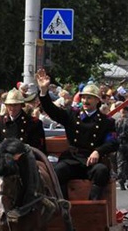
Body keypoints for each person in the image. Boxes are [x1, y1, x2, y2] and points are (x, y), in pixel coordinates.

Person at [36, 69, 118, 200]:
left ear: (97, 101)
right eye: (83, 97)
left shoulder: (106, 121)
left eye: (89, 98)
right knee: (58, 171)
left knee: (101, 171)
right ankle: (63, 204)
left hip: (92, 160)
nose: (85, 101)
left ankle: (93, 205)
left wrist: (98, 151)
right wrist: (44, 91)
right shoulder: (72, 115)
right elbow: (52, 110)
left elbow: (112, 142)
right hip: (73, 159)